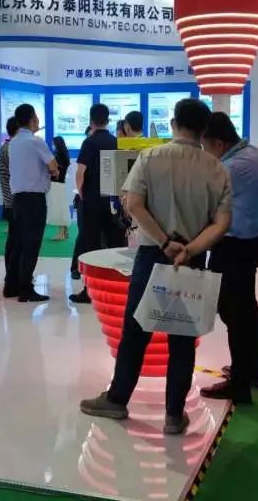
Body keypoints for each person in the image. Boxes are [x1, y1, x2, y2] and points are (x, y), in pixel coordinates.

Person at [81, 99, 231, 436]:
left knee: (136, 331)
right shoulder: (216, 169)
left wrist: (164, 242)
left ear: (174, 123)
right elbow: (222, 222)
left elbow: (133, 204)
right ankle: (174, 415)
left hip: (153, 254)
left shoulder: (150, 157)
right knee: (183, 337)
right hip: (192, 258)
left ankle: (118, 399)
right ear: (204, 130)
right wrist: (189, 249)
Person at [200, 113, 258, 403]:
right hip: (250, 243)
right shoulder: (253, 155)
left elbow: (206, 205)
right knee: (246, 309)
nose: (205, 153)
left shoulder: (232, 167)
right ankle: (254, 369)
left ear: (218, 143)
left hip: (233, 247)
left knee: (233, 314)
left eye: (205, 146)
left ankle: (240, 384)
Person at [70, 104, 126, 298]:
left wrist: (82, 194)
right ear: (108, 120)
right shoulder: (116, 141)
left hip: (91, 201)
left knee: (90, 245)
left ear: (91, 120)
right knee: (114, 244)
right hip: (112, 201)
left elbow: (80, 172)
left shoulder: (89, 142)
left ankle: (90, 290)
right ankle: (115, 288)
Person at [5, 104, 59, 302]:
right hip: (34, 200)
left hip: (18, 199)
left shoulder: (13, 143)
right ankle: (26, 288)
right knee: (31, 244)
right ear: (31, 119)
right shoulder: (36, 142)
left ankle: (11, 286)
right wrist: (53, 171)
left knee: (18, 243)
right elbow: (53, 165)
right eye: (36, 117)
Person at [0, 116, 18, 275]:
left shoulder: (7, 148)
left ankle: (13, 275)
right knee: (15, 240)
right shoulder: (10, 149)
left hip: (11, 201)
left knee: (14, 238)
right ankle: (12, 275)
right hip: (14, 201)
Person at [47, 136, 72, 241]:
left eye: (53, 143)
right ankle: (64, 231)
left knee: (58, 209)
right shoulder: (64, 156)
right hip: (61, 184)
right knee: (62, 207)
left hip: (56, 185)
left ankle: (61, 232)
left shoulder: (58, 157)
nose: (52, 145)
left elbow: (53, 171)